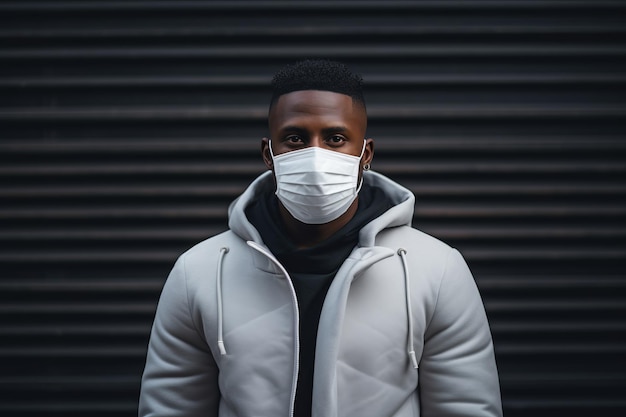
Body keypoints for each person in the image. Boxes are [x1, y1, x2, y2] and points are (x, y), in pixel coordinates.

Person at [139, 59, 502, 417]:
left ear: (366, 154)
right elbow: (171, 407)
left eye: (336, 138)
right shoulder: (199, 272)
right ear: (269, 153)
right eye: (295, 138)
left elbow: (466, 408)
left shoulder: (435, 270)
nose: (315, 157)